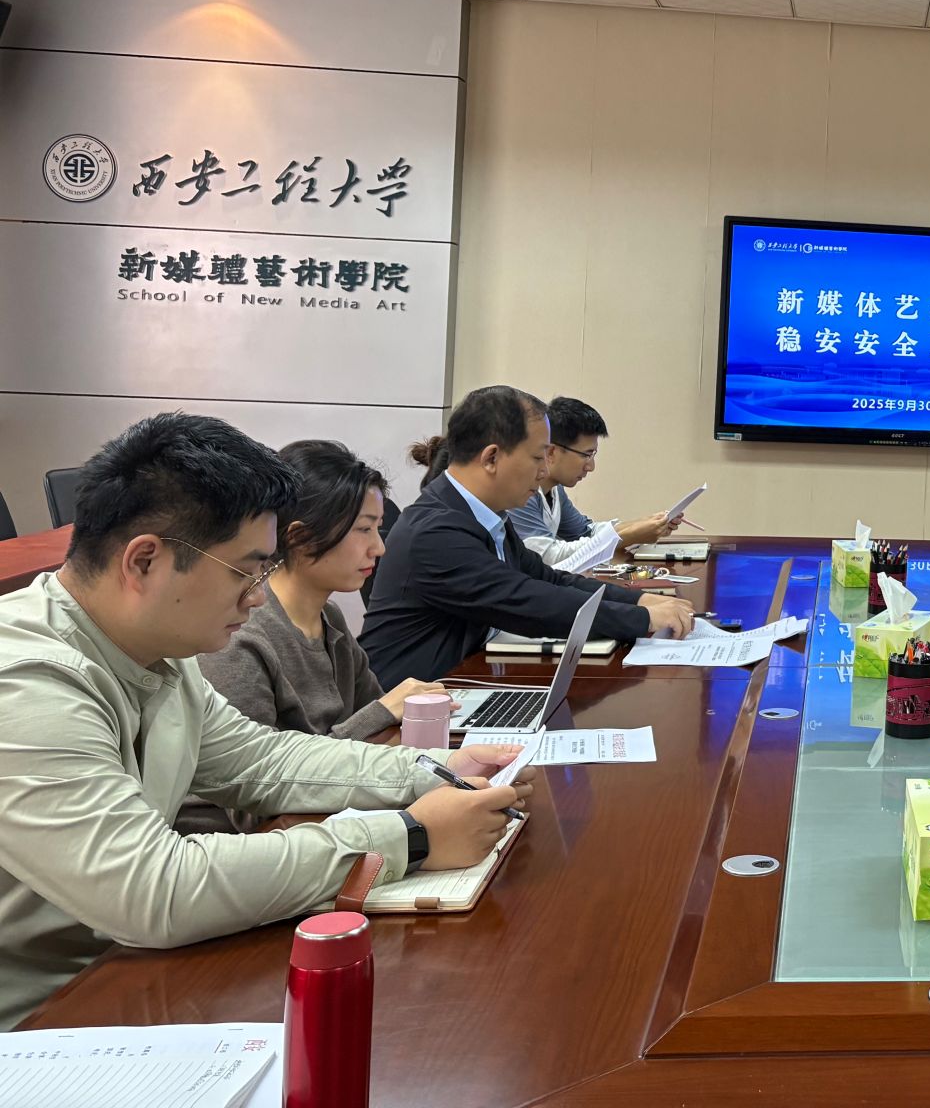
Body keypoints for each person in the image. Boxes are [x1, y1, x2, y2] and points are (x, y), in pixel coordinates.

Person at [0, 414, 534, 1031]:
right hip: (46, 1020)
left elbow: (262, 760)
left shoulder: (158, 651)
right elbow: (152, 889)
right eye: (246, 571)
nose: (258, 596)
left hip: (130, 976)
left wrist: (434, 769)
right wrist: (409, 838)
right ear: (145, 561)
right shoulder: (26, 681)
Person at [178, 441, 441, 834]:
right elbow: (250, 805)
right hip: (242, 842)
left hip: (322, 816)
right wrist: (382, 713)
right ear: (300, 537)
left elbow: (380, 732)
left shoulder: (328, 618)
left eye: (378, 529)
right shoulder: (239, 637)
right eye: (364, 529)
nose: (379, 547)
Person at [359, 387, 694, 688]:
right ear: (491, 458)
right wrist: (642, 618)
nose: (544, 471)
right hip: (407, 710)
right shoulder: (436, 531)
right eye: (537, 457)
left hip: (459, 683)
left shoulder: (485, 517)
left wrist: (639, 600)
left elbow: (549, 579)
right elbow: (530, 603)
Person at [507, 396, 680, 569]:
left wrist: (644, 524)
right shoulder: (521, 492)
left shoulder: (554, 490)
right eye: (586, 455)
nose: (591, 466)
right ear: (551, 452)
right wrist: (629, 535)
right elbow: (547, 557)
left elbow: (585, 531)